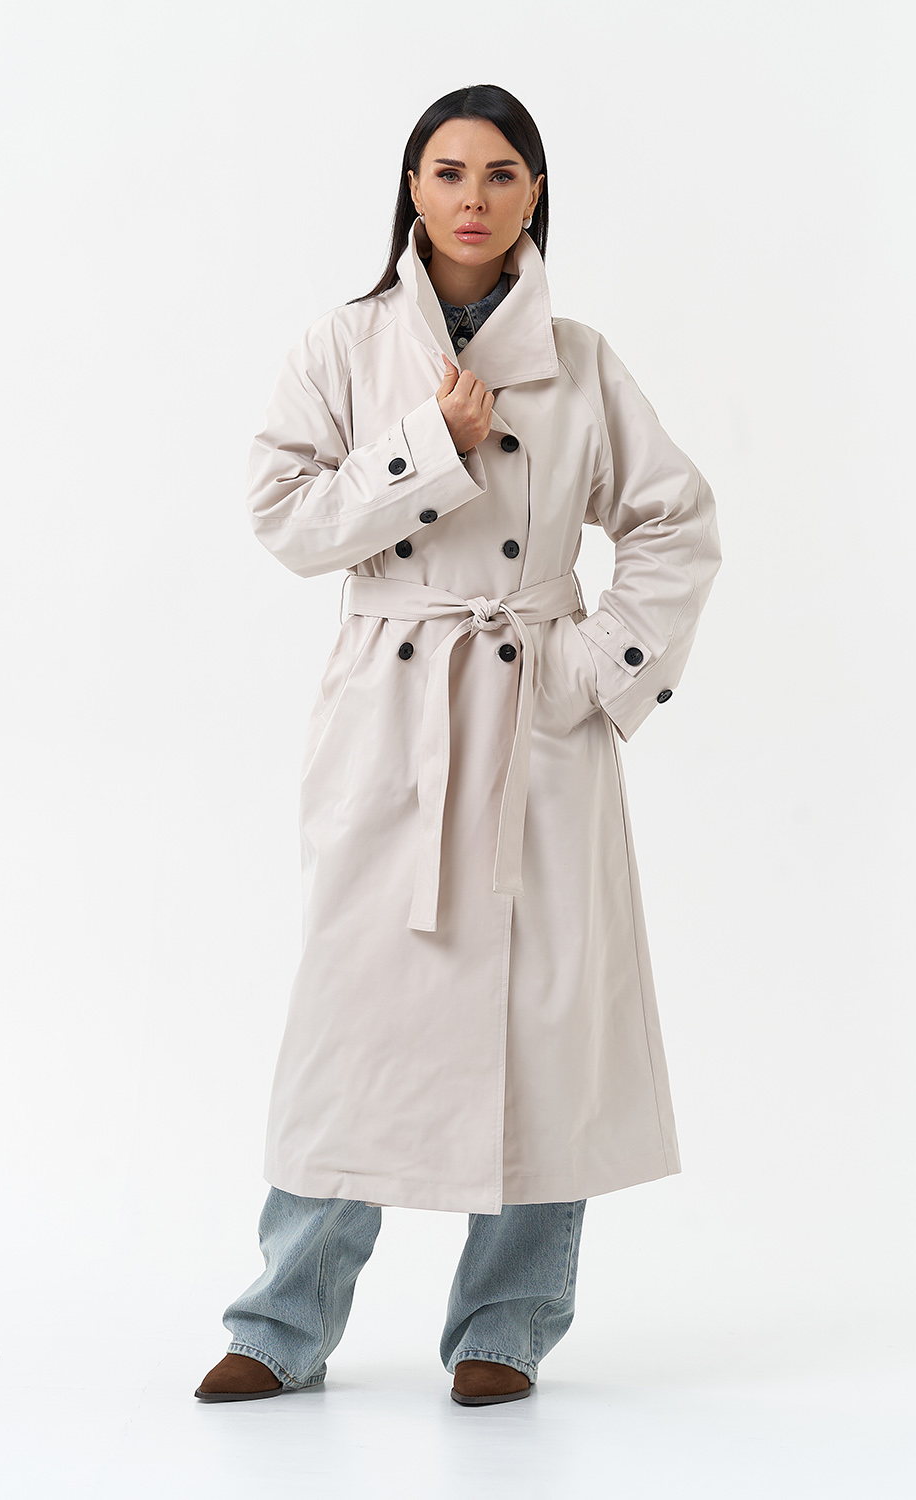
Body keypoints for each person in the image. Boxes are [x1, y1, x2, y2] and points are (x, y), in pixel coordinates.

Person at [196, 83, 721, 1407]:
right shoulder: (343, 343)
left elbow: (675, 520)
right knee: (350, 1019)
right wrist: (431, 444)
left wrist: (593, 672)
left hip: (537, 720)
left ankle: (508, 1323)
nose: (473, 198)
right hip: (395, 716)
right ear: (411, 189)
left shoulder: (583, 361)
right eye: (448, 171)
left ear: (535, 192)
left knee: (543, 1022)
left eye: (500, 173)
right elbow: (286, 518)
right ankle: (282, 1322)